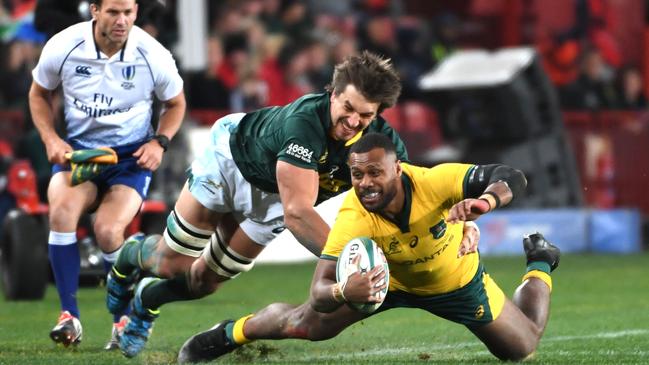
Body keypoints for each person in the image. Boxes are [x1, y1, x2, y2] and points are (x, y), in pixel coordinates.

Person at [107, 51, 416, 358]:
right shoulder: (304, 124)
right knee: (171, 264)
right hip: (231, 163)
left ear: (378, 114)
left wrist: (458, 220)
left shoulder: (383, 146)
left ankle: (147, 299)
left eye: (365, 116)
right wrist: (348, 261)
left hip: (275, 201)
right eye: (347, 107)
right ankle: (128, 257)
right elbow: (297, 213)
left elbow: (414, 193)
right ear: (333, 94)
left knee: (204, 282)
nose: (353, 121)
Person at [177, 132, 561, 364]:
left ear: (398, 169)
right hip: (384, 282)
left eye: (375, 172)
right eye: (357, 174)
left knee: (521, 348)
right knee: (303, 324)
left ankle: (540, 261)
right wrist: (345, 290)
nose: (365, 184)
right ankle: (230, 334)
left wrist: (486, 202)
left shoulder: (436, 181)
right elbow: (319, 291)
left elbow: (511, 176)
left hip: (455, 283)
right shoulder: (354, 216)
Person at [28, 0, 185, 350]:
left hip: (130, 158)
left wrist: (160, 142)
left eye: (128, 12)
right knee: (61, 212)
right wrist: (51, 138)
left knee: (108, 230)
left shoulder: (152, 53)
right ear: (95, 10)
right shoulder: (64, 45)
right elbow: (39, 93)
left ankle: (123, 318)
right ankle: (69, 317)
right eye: (114, 12)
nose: (122, 20)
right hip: (80, 154)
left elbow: (176, 103)